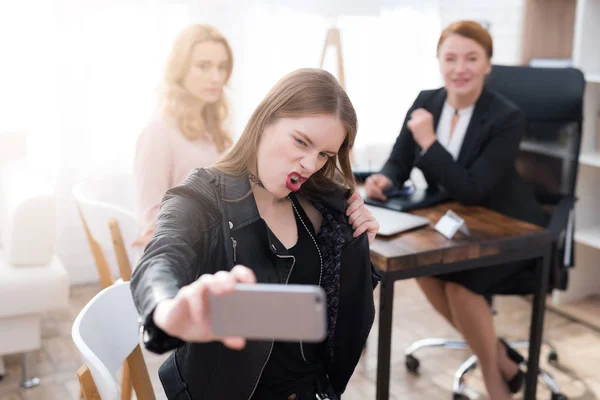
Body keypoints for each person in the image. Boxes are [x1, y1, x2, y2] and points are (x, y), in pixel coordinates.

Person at [131, 68, 381, 400]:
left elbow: (325, 317)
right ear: (265, 120)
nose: (309, 163)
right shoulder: (201, 196)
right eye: (301, 141)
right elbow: (160, 258)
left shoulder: (327, 209)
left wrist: (356, 255)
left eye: (324, 154)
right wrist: (167, 309)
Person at [365, 21, 545, 400]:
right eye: (450, 58)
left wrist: (429, 141)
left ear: (487, 65)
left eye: (471, 58)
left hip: (508, 229)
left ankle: (496, 384)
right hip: (456, 225)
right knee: (426, 272)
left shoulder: (506, 117)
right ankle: (500, 358)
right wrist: (384, 178)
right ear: (438, 62)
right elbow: (399, 161)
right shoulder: (425, 101)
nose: (459, 68)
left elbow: (472, 189)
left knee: (461, 289)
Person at [133, 24, 234, 247]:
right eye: (203, 66)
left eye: (222, 67)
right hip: (175, 251)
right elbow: (151, 214)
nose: (216, 77)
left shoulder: (216, 128)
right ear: (181, 69)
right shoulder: (159, 131)